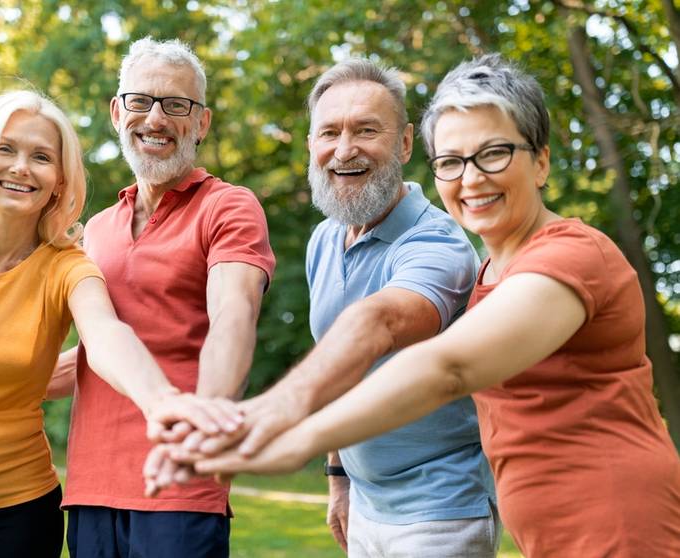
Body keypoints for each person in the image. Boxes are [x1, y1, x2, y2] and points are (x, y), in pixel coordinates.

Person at [193, 54, 680, 557]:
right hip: (550, 529)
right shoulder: (492, 272)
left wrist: (293, 428)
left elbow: (445, 366)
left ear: (541, 161)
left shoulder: (569, 257)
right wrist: (338, 473)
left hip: (614, 524)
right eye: (452, 162)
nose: (471, 179)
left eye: (493, 154)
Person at [0, 90, 240, 558]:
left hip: (18, 512)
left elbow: (107, 336)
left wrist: (160, 402)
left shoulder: (67, 266)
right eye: (5, 149)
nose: (21, 167)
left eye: (41, 157)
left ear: (58, 180)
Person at [144, 58, 499, 557]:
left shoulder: (439, 244)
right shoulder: (325, 238)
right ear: (311, 145)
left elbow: (378, 323)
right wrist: (339, 478)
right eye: (329, 132)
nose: (345, 149)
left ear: (403, 143)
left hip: (439, 510)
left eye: (366, 130)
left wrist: (270, 413)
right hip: (366, 504)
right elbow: (338, 359)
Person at [47, 37, 275, 558]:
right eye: (141, 101)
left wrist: (199, 428)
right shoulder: (96, 229)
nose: (156, 118)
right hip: (88, 490)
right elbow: (95, 356)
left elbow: (232, 317)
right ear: (116, 111)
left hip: (180, 486)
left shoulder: (228, 206)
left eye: (177, 105)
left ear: (201, 123)